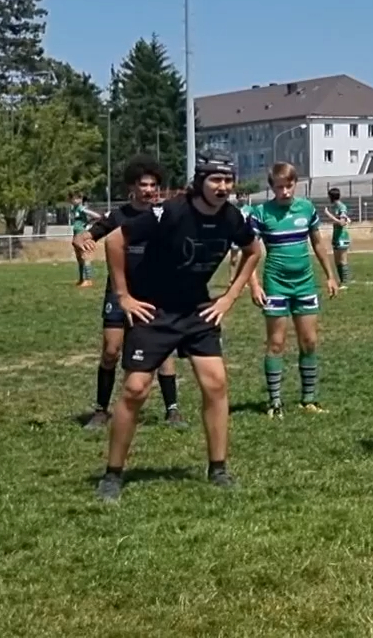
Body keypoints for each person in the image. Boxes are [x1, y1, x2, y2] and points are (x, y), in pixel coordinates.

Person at [95, 151, 260, 502]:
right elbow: (114, 241)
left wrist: (229, 298)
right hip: (153, 310)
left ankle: (218, 469)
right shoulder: (170, 211)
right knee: (136, 390)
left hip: (197, 311)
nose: (223, 186)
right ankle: (112, 475)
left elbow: (254, 250)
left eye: (228, 180)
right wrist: (123, 296)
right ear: (200, 182)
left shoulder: (232, 217)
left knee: (216, 384)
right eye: (216, 179)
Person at [75, 158, 185, 432]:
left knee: (162, 353)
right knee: (111, 351)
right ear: (132, 187)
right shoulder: (117, 217)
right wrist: (81, 241)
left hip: (153, 294)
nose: (149, 190)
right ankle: (101, 411)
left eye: (153, 185)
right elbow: (84, 236)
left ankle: (173, 411)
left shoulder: (164, 216)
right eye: (143, 184)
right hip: (119, 293)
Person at [249, 162, 340, 417]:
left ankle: (308, 399)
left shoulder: (307, 208)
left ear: (295, 184)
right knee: (276, 343)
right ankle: (274, 402)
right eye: (279, 187)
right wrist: (254, 284)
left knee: (309, 341)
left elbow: (318, 244)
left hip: (305, 283)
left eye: (289, 186)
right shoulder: (261, 213)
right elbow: (250, 253)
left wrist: (330, 276)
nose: (285, 192)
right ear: (271, 187)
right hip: (276, 285)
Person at [69, 192, 101, 288]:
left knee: (85, 256)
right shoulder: (74, 209)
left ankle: (88, 280)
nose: (73, 201)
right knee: (79, 258)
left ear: (80, 199)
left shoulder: (81, 209)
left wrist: (87, 222)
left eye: (76, 199)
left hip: (81, 234)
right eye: (72, 199)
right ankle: (81, 279)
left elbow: (97, 216)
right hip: (75, 235)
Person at [325, 186, 354, 288]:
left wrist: (329, 215)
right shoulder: (336, 207)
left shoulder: (341, 207)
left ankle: (345, 282)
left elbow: (342, 223)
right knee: (337, 260)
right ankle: (342, 280)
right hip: (336, 236)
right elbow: (346, 220)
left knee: (342, 260)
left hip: (342, 237)